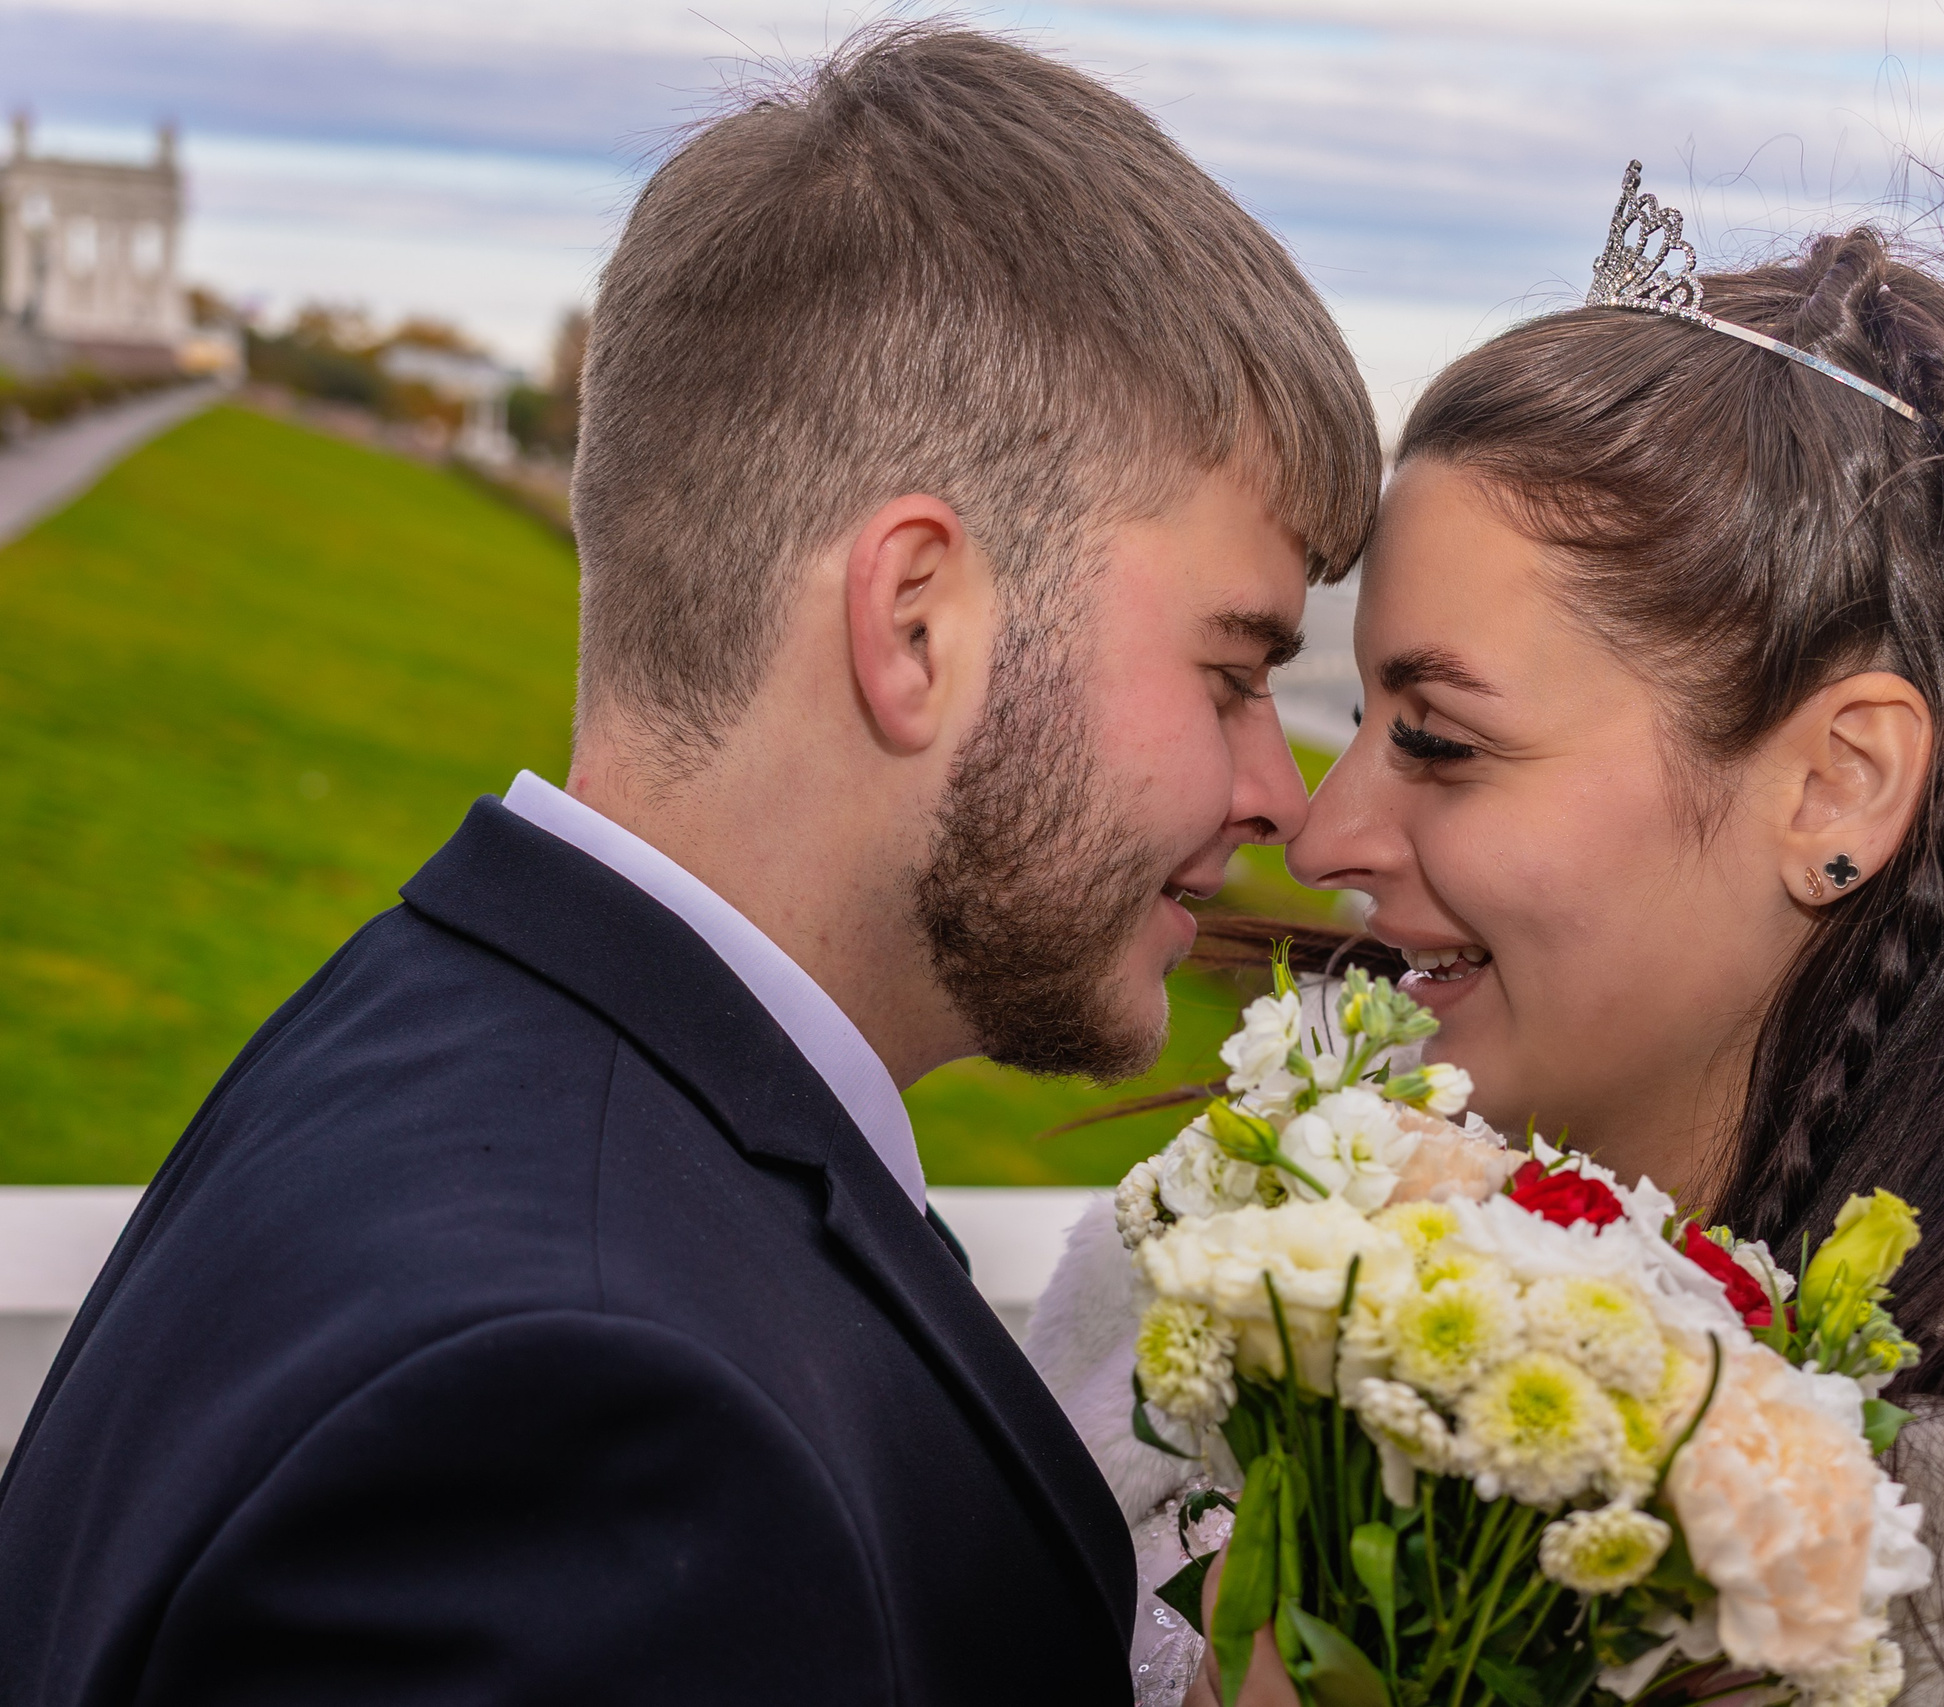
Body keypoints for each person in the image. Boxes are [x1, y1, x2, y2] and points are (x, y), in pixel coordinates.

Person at [0, 24, 1376, 1704]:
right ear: (916, 621)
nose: (1279, 794)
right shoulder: (587, 1427)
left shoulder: (444, 1033)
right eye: (1235, 672)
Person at [1033, 165, 1944, 1704]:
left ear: (1835, 787)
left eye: (1443, 740)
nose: (1323, 834)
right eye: (1359, 710)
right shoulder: (1214, 1310)